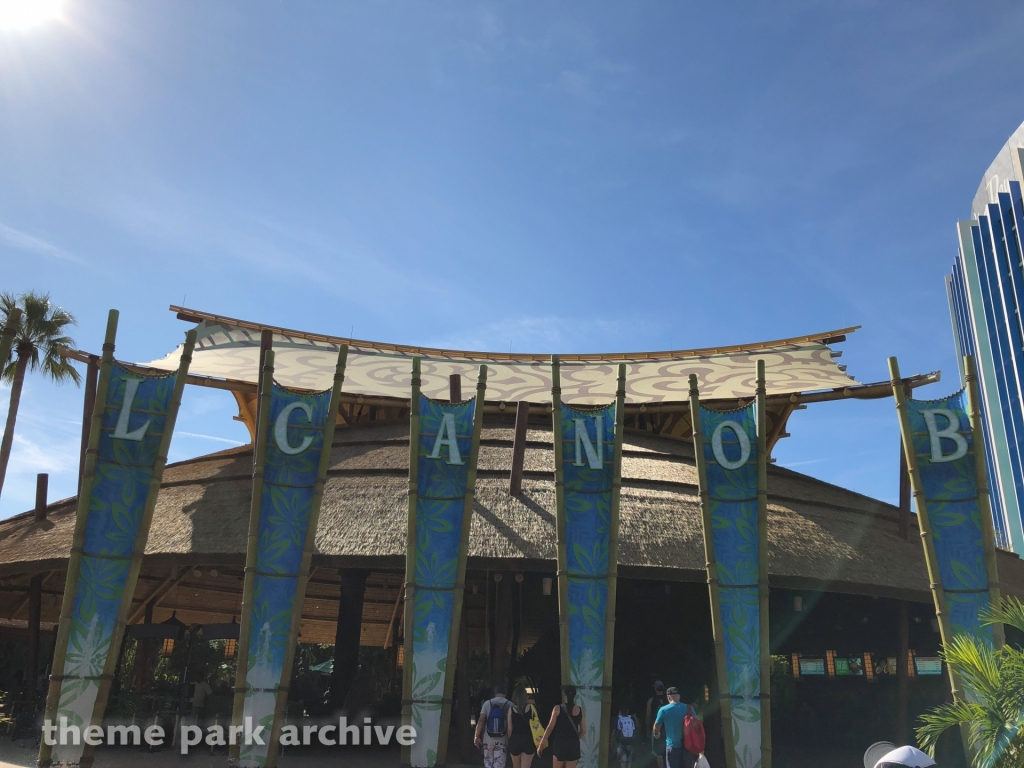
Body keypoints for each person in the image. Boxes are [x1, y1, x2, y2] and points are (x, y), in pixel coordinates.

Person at [538, 685, 586, 768]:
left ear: (565, 695)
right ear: (574, 696)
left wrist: (541, 744)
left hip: (559, 745)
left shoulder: (557, 709)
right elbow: (584, 731)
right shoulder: (579, 710)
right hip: (573, 746)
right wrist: (576, 738)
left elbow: (549, 728)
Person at [652, 687, 697, 768]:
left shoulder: (663, 710)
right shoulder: (689, 708)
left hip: (672, 747)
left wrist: (656, 733)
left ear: (668, 697)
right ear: (679, 696)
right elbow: (697, 725)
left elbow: (656, 726)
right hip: (688, 746)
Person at [475, 684, 514, 768]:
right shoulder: (510, 705)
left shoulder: (487, 703)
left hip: (488, 738)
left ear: (495, 692)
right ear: (505, 693)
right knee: (499, 764)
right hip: (503, 739)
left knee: (488, 763)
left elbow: (481, 720)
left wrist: (476, 736)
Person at [509, 685, 537, 768]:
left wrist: (511, 739)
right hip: (528, 740)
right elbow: (537, 723)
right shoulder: (531, 708)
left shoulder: (511, 710)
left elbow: (509, 729)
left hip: (515, 740)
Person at [646, 680, 668, 768]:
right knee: (668, 751)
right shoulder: (668, 700)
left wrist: (647, 728)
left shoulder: (651, 700)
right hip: (667, 728)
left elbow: (648, 715)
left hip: (656, 729)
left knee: (658, 753)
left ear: (655, 688)